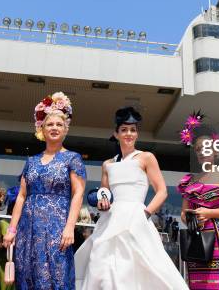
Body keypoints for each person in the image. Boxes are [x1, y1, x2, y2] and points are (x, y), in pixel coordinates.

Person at [75, 107, 188, 290]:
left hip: (137, 217)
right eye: (124, 130)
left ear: (137, 133)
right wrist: (102, 204)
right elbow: (105, 194)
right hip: (110, 219)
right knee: (101, 266)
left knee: (141, 268)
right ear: (116, 134)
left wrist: (145, 213)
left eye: (133, 130)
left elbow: (162, 191)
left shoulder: (146, 158)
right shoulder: (108, 164)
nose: (129, 133)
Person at [3, 92, 86, 290]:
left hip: (57, 228)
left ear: (66, 129)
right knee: (27, 274)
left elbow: (78, 194)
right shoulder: (30, 161)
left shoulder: (72, 158)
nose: (54, 128)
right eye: (50, 124)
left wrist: (69, 227)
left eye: (59, 124)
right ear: (42, 128)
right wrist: (11, 230)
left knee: (56, 275)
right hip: (28, 230)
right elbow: (21, 197)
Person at [177, 119, 219, 290]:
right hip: (195, 240)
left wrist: (208, 213)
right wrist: (192, 219)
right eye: (198, 149)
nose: (201, 151)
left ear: (216, 150)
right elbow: (183, 213)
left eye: (206, 147)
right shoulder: (190, 180)